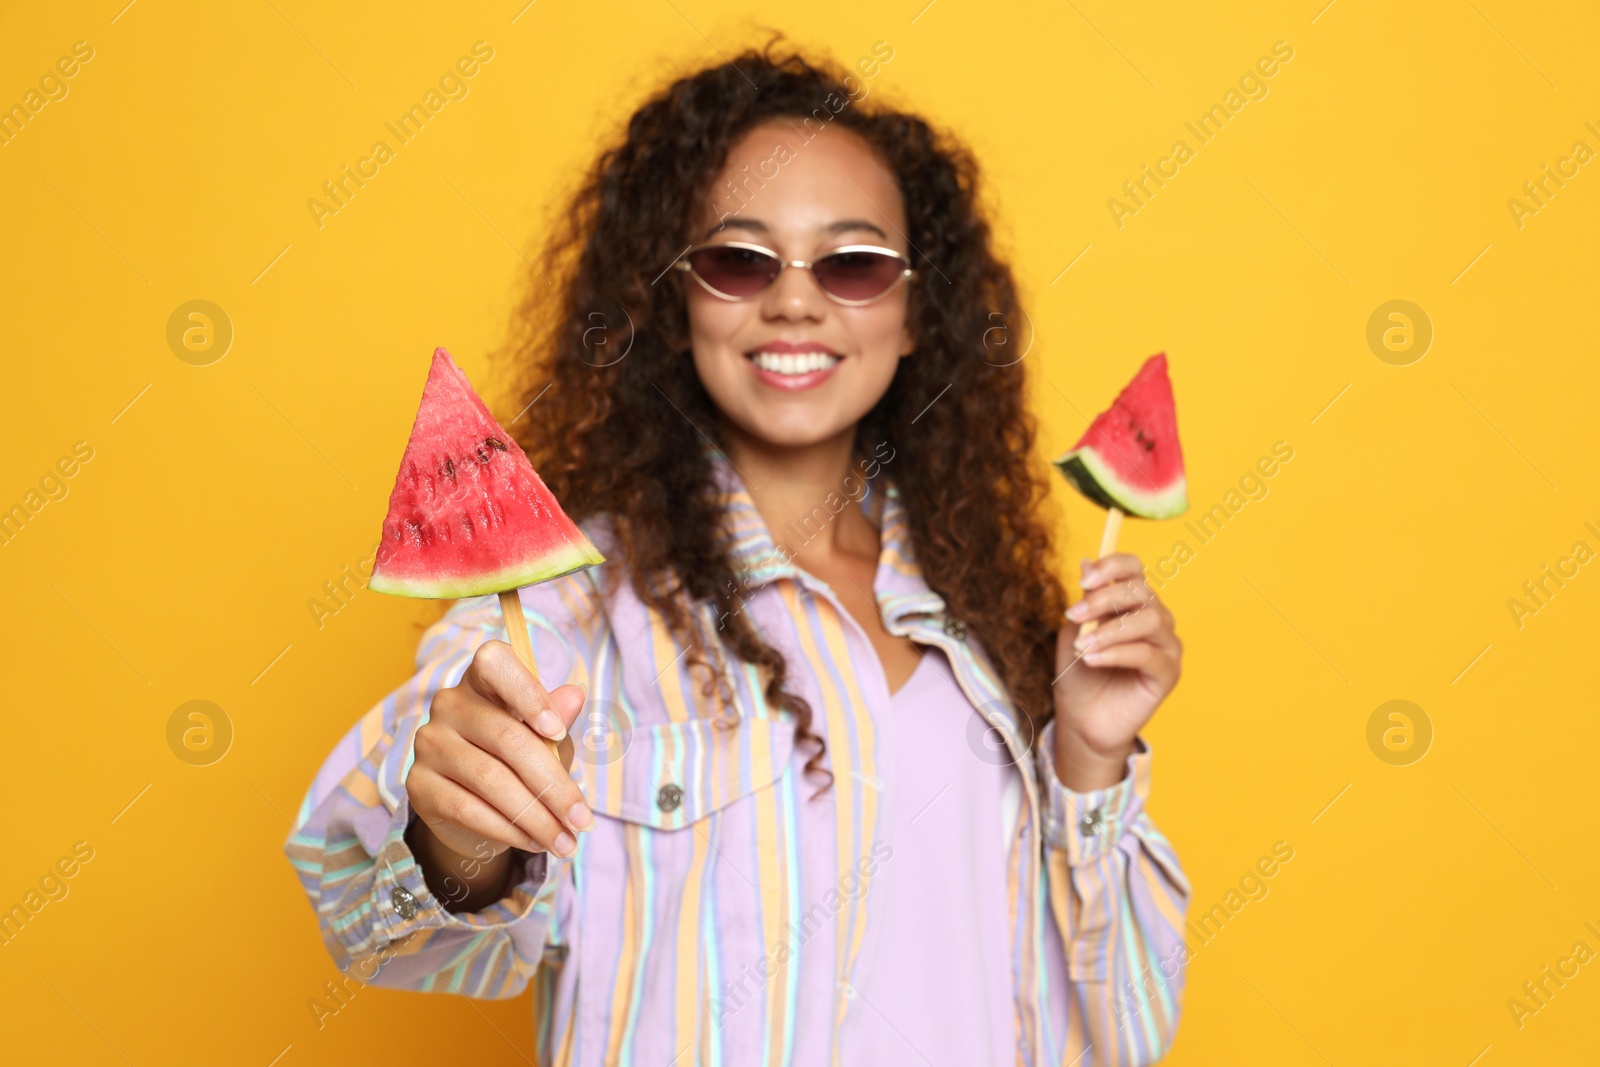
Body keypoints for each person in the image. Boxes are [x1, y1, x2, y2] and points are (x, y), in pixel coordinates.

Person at [285, 37, 1189, 1066]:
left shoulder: (989, 628)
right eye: (736, 259)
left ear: (910, 317)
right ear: (672, 301)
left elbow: (1131, 1025)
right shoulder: (569, 609)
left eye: (852, 263)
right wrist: (459, 834)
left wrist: (1089, 756)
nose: (794, 299)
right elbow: (373, 922)